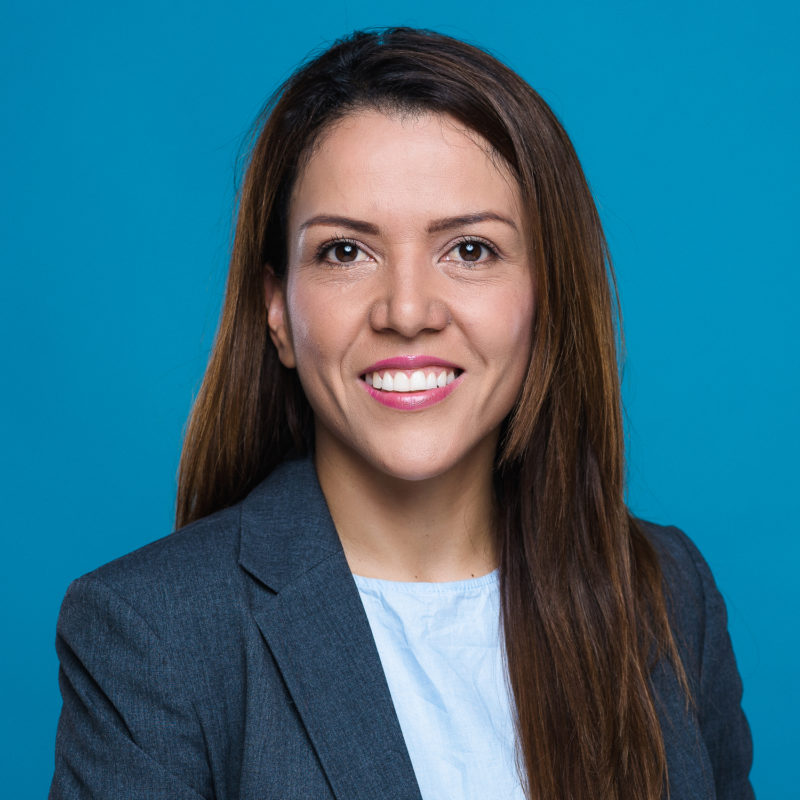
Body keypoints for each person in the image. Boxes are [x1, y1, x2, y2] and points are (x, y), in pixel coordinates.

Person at [49, 27, 754, 800]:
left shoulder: (667, 593)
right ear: (277, 312)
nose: (408, 311)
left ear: (545, 296)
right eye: (346, 252)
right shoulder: (153, 631)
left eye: (471, 250)